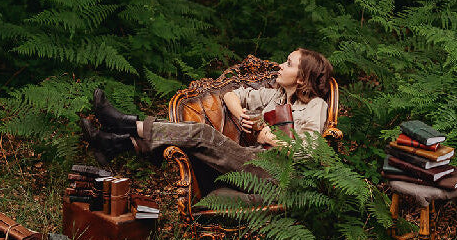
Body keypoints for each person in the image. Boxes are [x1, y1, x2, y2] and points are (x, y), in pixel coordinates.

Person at [81, 48, 334, 178]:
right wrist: (241, 115)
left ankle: (122, 125)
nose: (280, 66)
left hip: (275, 172)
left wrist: (271, 139)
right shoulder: (274, 95)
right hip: (250, 158)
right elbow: (230, 94)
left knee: (202, 133)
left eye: (288, 64)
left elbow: (309, 152)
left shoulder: (315, 106)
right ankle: (113, 143)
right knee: (193, 143)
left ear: (301, 79)